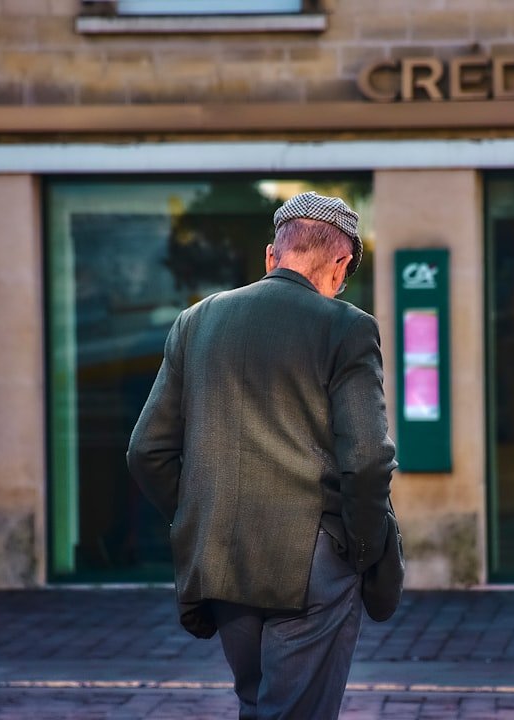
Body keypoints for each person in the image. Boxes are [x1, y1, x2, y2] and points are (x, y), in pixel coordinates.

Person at [127, 191, 398, 719]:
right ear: (341, 265)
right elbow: (367, 458)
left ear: (271, 255)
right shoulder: (347, 326)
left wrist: (196, 517)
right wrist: (362, 551)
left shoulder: (196, 321)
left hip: (223, 555)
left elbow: (146, 451)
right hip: (314, 560)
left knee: (259, 704)